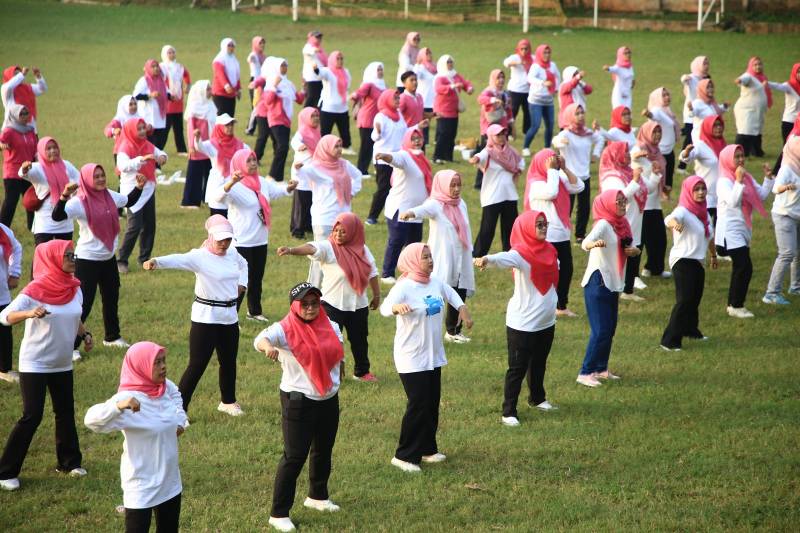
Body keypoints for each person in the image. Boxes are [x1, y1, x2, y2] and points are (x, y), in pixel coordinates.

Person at [0, 240, 92, 492]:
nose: (73, 259)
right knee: (32, 415)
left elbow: (75, 315)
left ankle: (69, 463)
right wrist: (29, 313)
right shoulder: (35, 289)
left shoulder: (74, 287)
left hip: (62, 362)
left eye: (73, 254)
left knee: (65, 412)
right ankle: (6, 471)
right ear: (52, 259)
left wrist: (85, 334)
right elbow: (5, 316)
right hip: (36, 363)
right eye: (67, 255)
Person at [254, 282, 344, 532]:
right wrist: (268, 347)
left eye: (315, 303)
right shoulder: (283, 329)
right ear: (294, 306)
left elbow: (338, 353)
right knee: (294, 457)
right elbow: (260, 339)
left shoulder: (332, 325)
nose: (311, 308)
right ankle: (278, 513)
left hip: (328, 399)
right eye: (304, 304)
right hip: (298, 400)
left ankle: (317, 496)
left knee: (323, 450)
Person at [380, 243, 473, 472]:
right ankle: (403, 456)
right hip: (411, 357)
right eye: (425, 257)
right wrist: (396, 308)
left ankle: (427, 449)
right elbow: (384, 308)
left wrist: (462, 308)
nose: (430, 260)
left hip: (433, 355)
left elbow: (450, 292)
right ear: (413, 260)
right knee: (418, 404)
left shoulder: (435, 282)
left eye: (430, 256)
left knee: (431, 403)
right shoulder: (405, 286)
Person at [143, 215, 248, 416]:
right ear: (211, 237)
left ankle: (228, 401)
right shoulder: (200, 256)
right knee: (197, 364)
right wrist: (156, 262)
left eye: (228, 239)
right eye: (220, 240)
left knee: (228, 362)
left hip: (229, 317)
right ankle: (179, 409)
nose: (224, 244)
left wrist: (242, 284)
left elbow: (244, 265)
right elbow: (178, 259)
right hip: (206, 318)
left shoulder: (232, 253)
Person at [84, 342, 186, 532]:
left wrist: (180, 421)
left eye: (163, 360)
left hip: (170, 482)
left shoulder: (165, 387)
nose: (163, 366)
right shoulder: (127, 398)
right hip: (141, 486)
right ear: (141, 366)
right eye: (157, 362)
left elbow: (177, 396)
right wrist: (118, 407)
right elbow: (91, 420)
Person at [473, 210, 559, 425]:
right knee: (517, 369)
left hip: (546, 321)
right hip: (523, 324)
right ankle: (509, 411)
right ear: (527, 228)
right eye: (539, 224)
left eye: (545, 223)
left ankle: (537, 398)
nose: (544, 227)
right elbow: (503, 258)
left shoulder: (550, 250)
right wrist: (486, 259)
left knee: (539, 363)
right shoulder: (520, 254)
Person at [51, 164, 145, 353]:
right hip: (87, 260)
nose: (101, 179)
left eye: (102, 175)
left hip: (108, 258)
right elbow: (57, 216)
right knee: (83, 304)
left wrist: (139, 187)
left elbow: (128, 201)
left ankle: (112, 336)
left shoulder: (110, 195)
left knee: (111, 297)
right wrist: (64, 196)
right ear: (86, 179)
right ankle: (71, 347)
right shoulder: (79, 202)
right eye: (96, 176)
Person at [277, 213, 380, 382]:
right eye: (336, 230)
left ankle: (362, 372)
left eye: (343, 231)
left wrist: (376, 295)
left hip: (358, 305)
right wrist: (291, 250)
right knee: (329, 342)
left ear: (353, 232)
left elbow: (372, 273)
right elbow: (312, 247)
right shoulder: (328, 247)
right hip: (332, 305)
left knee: (360, 341)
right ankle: (329, 372)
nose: (338, 234)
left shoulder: (362, 249)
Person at [212, 148, 295, 322]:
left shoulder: (261, 182)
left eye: (254, 160)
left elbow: (275, 191)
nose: (253, 164)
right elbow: (218, 197)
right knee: (240, 281)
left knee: (256, 278)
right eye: (248, 161)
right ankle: (230, 315)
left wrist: (288, 188)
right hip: (242, 241)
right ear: (239, 164)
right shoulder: (235, 185)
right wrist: (231, 182)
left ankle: (254, 312)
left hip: (260, 240)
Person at [400, 171, 474, 343]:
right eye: (452, 185)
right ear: (443, 186)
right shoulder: (435, 204)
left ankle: (453, 331)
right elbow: (423, 210)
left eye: (459, 185)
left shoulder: (461, 204)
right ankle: (427, 330)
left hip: (460, 256)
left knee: (459, 291)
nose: (456, 189)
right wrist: (410, 213)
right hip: (443, 257)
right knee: (436, 293)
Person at [577, 190, 639, 388]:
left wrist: (635, 251)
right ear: (609, 204)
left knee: (610, 328)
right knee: (601, 330)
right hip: (598, 280)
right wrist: (593, 244)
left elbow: (632, 246)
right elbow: (585, 243)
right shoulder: (604, 224)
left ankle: (601, 368)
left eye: (623, 201)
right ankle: (585, 372)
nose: (622, 205)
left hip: (613, 281)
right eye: (618, 202)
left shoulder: (623, 224)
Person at [296, 135, 363, 287]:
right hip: (324, 220)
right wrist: (297, 168)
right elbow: (301, 174)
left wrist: (351, 192)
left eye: (340, 146)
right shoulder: (315, 167)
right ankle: (312, 290)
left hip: (343, 220)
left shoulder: (344, 164)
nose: (339, 149)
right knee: (319, 255)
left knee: (342, 256)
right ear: (326, 148)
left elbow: (358, 176)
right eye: (336, 146)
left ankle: (335, 289)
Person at [716, 144, 773, 318]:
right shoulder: (724, 181)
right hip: (730, 229)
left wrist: (768, 179)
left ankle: (732, 304)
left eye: (742, 156)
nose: (741, 159)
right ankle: (736, 305)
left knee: (740, 267)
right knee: (744, 267)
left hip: (744, 228)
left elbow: (761, 196)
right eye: (737, 156)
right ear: (728, 160)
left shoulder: (746, 177)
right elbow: (733, 202)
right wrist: (738, 181)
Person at [660, 176, 717, 351]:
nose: (701, 192)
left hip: (698, 261)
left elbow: (709, 236)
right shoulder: (683, 210)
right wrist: (674, 224)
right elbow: (669, 218)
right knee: (685, 300)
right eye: (696, 189)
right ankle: (669, 341)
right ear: (688, 191)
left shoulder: (704, 213)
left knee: (694, 298)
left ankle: (690, 330)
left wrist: (713, 255)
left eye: (703, 188)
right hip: (682, 259)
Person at [526, 148, 583, 317]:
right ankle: (541, 307)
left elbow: (579, 186)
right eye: (550, 161)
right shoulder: (536, 184)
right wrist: (552, 171)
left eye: (554, 160)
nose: (553, 163)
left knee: (566, 271)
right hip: (546, 237)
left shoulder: (557, 177)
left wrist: (564, 168)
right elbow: (552, 192)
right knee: (546, 274)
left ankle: (561, 306)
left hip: (562, 235)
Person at [598, 141, 655, 302]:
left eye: (628, 152)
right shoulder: (611, 177)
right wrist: (635, 180)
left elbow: (648, 189)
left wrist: (655, 175)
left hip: (634, 220)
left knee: (634, 252)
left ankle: (628, 290)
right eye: (624, 152)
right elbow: (618, 199)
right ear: (615, 155)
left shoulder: (628, 171)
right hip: (621, 224)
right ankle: (615, 287)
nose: (628, 155)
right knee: (620, 255)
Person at [375, 126, 432, 283]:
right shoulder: (405, 155)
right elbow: (396, 159)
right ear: (407, 141)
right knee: (397, 240)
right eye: (413, 139)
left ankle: (412, 272)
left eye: (419, 138)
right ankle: (387, 273)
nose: (417, 141)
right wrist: (385, 156)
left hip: (416, 211)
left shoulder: (421, 158)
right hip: (400, 208)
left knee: (414, 244)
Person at [116, 118, 168, 274]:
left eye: (143, 128)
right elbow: (123, 166)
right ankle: (121, 260)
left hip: (148, 189)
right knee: (134, 226)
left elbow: (161, 153)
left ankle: (144, 258)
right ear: (131, 131)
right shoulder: (125, 147)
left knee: (150, 225)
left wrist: (163, 157)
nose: (142, 131)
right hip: (132, 191)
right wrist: (142, 159)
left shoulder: (147, 144)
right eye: (138, 129)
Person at [367, 89, 426, 225]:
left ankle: (394, 212)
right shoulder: (381, 116)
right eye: (395, 98)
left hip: (398, 158)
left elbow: (404, 132)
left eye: (399, 98)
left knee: (396, 187)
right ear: (387, 99)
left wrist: (418, 126)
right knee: (384, 188)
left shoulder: (398, 114)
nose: (398, 101)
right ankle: (372, 216)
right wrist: (377, 131)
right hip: (383, 158)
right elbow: (374, 137)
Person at [469, 124, 523, 257]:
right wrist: (476, 158)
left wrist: (518, 170)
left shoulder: (511, 152)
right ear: (491, 137)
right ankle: (477, 255)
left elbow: (521, 162)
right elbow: (480, 156)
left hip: (510, 196)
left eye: (503, 134)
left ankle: (510, 254)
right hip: (493, 197)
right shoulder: (488, 152)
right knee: (487, 229)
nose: (502, 137)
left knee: (510, 228)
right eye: (498, 135)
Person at [551, 103, 603, 243]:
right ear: (570, 116)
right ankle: (562, 233)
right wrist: (562, 142)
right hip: (568, 177)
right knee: (566, 207)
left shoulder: (587, 133)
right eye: (577, 113)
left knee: (584, 207)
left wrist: (596, 154)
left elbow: (600, 139)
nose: (580, 116)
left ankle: (580, 235)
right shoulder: (566, 133)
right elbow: (555, 141)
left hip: (584, 176)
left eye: (582, 113)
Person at [19, 137, 79, 246]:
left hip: (65, 223)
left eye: (55, 147)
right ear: (42, 151)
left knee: (65, 255)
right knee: (43, 255)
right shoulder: (37, 168)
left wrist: (74, 189)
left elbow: (80, 180)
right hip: (45, 224)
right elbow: (23, 173)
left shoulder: (66, 165)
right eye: (48, 148)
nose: (53, 150)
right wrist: (24, 168)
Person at [253, 57, 304, 180]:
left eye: (286, 65)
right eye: (282, 65)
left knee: (283, 148)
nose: (284, 68)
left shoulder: (289, 84)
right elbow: (268, 100)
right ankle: (272, 175)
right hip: (276, 118)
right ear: (277, 67)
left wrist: (304, 89)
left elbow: (299, 100)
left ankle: (279, 178)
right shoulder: (271, 81)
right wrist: (274, 85)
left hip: (287, 120)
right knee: (282, 146)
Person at [763, 136, 800, 303]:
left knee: (797, 252)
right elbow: (775, 188)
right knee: (787, 253)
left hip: (796, 215)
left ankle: (795, 286)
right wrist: (785, 187)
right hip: (784, 215)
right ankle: (771, 293)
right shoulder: (787, 169)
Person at [633, 121, 670, 279]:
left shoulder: (657, 151)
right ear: (646, 132)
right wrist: (637, 156)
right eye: (654, 132)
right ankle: (634, 275)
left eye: (659, 132)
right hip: (642, 204)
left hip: (654, 203)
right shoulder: (639, 148)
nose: (657, 135)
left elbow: (660, 172)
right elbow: (632, 158)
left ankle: (655, 268)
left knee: (659, 239)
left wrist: (665, 189)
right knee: (640, 240)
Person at [679, 115, 727, 228]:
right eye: (715, 125)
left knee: (721, 232)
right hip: (706, 197)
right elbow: (685, 157)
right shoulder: (701, 145)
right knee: (705, 231)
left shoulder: (724, 145)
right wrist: (686, 153)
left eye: (720, 125)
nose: (718, 128)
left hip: (723, 196)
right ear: (707, 127)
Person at [195, 113, 246, 217]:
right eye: (227, 125)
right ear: (219, 127)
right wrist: (197, 138)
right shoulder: (212, 145)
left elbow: (249, 154)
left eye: (231, 124)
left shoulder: (239, 145)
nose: (230, 127)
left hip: (235, 188)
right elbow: (200, 147)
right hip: (217, 188)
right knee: (218, 221)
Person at [474, 69, 513, 189]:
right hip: (489, 131)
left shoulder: (505, 94)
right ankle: (479, 183)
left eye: (502, 77)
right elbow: (480, 99)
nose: (501, 80)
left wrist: (512, 124)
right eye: (498, 77)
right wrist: (493, 100)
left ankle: (496, 181)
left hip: (502, 130)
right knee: (485, 156)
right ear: (493, 79)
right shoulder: (489, 92)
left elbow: (508, 110)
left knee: (501, 156)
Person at [0, 104, 37, 229]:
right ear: (15, 116)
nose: (26, 116)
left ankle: (33, 227)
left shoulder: (30, 130)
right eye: (22, 114)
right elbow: (1, 142)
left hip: (28, 171)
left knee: (31, 199)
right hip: (12, 173)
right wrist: (2, 145)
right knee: (11, 201)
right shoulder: (9, 131)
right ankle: (3, 228)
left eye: (27, 113)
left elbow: (35, 148)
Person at [432, 55, 473, 164]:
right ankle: (437, 156)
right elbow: (438, 88)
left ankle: (448, 157)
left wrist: (469, 88)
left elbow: (464, 83)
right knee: (443, 134)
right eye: (448, 62)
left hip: (454, 110)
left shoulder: (455, 75)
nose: (450, 64)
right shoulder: (440, 77)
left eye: (451, 62)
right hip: (443, 110)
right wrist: (452, 86)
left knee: (451, 134)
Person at [183, 80, 217, 208]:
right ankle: (190, 201)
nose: (210, 91)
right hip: (198, 145)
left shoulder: (211, 105)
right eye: (207, 89)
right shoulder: (194, 108)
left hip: (209, 145)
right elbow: (191, 129)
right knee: (195, 172)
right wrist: (192, 145)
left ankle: (207, 197)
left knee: (210, 172)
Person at [350, 61, 386, 176]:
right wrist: (354, 96)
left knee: (378, 145)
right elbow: (359, 93)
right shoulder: (369, 84)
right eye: (378, 70)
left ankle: (379, 167)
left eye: (381, 69)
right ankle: (361, 171)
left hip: (378, 121)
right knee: (366, 146)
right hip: (367, 120)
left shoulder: (382, 85)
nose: (380, 72)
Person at [523, 44, 560, 156]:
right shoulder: (536, 66)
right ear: (539, 54)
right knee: (536, 125)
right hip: (536, 100)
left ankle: (547, 147)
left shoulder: (552, 65)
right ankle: (526, 147)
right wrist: (542, 83)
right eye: (544, 53)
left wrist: (556, 89)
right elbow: (530, 78)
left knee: (550, 125)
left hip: (548, 100)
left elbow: (557, 77)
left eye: (548, 53)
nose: (547, 55)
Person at [289, 107, 320, 239]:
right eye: (312, 116)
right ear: (306, 118)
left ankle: (307, 226)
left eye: (317, 116)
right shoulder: (302, 132)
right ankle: (297, 230)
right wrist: (299, 146)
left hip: (312, 172)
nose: (316, 118)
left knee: (310, 201)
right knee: (300, 203)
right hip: (301, 171)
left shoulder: (317, 132)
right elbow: (294, 141)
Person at [643, 86, 681, 192]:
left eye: (667, 94)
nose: (667, 97)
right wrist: (649, 114)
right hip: (661, 151)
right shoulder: (657, 110)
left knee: (669, 178)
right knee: (660, 179)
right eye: (663, 95)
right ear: (657, 98)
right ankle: (661, 196)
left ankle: (666, 196)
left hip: (669, 150)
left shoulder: (667, 110)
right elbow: (654, 116)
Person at [316, 51, 354, 154]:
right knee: (325, 131)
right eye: (338, 59)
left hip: (342, 107)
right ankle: (323, 149)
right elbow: (320, 73)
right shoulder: (327, 71)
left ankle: (346, 147)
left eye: (341, 59)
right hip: (328, 108)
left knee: (345, 130)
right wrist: (316, 69)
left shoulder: (346, 72)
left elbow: (347, 87)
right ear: (332, 60)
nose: (340, 61)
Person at [733, 57, 771, 157]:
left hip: (756, 111)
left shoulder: (762, 78)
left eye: (760, 64)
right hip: (746, 110)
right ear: (751, 66)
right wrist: (739, 80)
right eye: (755, 65)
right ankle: (739, 152)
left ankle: (756, 151)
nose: (758, 67)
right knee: (745, 131)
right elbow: (743, 79)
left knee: (756, 131)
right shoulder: (749, 76)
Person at [678, 56, 710, 170]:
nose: (707, 66)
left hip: (701, 113)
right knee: (689, 139)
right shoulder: (692, 77)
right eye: (704, 64)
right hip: (691, 113)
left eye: (707, 64)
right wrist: (684, 78)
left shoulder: (706, 78)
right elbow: (684, 79)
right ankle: (681, 166)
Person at [0, 223, 22, 383]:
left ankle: (4, 369)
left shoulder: (2, 230)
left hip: (1, 293)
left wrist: (14, 272)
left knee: (4, 332)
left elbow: (16, 247)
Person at [770, 63, 800, 174]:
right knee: (787, 149)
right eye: (799, 72)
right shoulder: (789, 86)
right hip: (789, 122)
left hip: (798, 124)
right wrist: (766, 83)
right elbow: (778, 86)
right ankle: (776, 172)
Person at [160, 45, 191, 155]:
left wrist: (188, 85)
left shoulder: (179, 67)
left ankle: (181, 149)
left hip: (178, 101)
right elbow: (160, 82)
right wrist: (168, 93)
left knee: (179, 127)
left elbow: (186, 74)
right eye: (169, 53)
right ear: (164, 54)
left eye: (173, 52)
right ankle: (159, 148)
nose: (172, 55)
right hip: (168, 101)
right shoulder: (162, 67)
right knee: (165, 128)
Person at [133, 59, 170, 150]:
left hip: (160, 116)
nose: (156, 68)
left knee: (159, 142)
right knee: (150, 142)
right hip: (148, 117)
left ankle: (158, 157)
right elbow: (136, 96)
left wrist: (171, 97)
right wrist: (150, 95)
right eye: (153, 67)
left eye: (157, 66)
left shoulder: (161, 80)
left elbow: (166, 93)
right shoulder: (144, 80)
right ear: (148, 68)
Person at [2, 65, 46, 132]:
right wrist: (22, 74)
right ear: (9, 76)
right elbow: (9, 86)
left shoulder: (28, 87)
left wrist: (38, 76)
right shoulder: (5, 89)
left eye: (19, 73)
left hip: (30, 128)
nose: (19, 75)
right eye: (16, 74)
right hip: (12, 129)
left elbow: (42, 89)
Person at [105, 95, 147, 165]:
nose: (134, 106)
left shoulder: (139, 118)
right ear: (124, 106)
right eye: (130, 104)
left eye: (135, 104)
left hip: (138, 150)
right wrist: (114, 131)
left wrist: (149, 128)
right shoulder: (119, 119)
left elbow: (147, 132)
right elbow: (107, 130)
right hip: (122, 151)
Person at [503, 40, 533, 137]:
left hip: (529, 90)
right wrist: (518, 62)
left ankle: (526, 131)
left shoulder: (533, 58)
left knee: (528, 111)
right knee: (512, 111)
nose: (524, 51)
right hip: (515, 90)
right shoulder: (515, 57)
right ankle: (509, 132)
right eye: (522, 49)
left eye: (526, 49)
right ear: (518, 49)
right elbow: (506, 63)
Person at [211, 38, 241, 117]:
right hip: (220, 93)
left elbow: (237, 75)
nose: (231, 48)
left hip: (231, 93)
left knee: (230, 118)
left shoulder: (234, 60)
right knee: (221, 117)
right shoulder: (219, 60)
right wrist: (226, 85)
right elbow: (220, 74)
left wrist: (238, 89)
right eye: (229, 45)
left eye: (233, 46)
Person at [414, 47, 437, 145]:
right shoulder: (421, 68)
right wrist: (417, 64)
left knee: (436, 119)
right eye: (426, 53)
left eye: (430, 53)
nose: (429, 55)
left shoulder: (435, 67)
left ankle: (436, 140)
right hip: (425, 99)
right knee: (424, 121)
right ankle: (424, 140)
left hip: (434, 99)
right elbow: (415, 75)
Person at [245, 35, 267, 134]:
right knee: (256, 105)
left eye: (263, 43)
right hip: (255, 82)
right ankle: (250, 129)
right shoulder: (253, 54)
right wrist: (252, 59)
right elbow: (250, 58)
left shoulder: (263, 56)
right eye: (260, 43)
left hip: (263, 81)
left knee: (260, 104)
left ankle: (258, 127)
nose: (262, 45)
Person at [302, 31, 328, 108]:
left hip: (320, 77)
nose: (319, 39)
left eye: (320, 37)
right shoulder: (308, 47)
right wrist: (315, 50)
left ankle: (317, 113)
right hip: (311, 78)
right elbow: (308, 51)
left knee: (319, 97)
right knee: (311, 97)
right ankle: (305, 113)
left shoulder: (320, 49)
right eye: (317, 37)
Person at [604, 46, 635, 110]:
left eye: (629, 52)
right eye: (625, 53)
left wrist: (632, 82)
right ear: (620, 55)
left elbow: (631, 76)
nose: (628, 55)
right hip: (619, 94)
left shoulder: (630, 66)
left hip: (628, 94)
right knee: (619, 111)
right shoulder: (618, 67)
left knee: (628, 112)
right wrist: (607, 68)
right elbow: (612, 69)